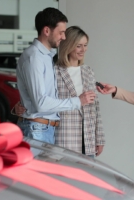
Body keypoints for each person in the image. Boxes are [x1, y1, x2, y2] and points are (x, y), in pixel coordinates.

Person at [15, 7, 96, 145]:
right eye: (61, 33)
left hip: (44, 129)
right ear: (47, 31)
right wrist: (78, 101)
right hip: (37, 129)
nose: (64, 37)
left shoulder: (46, 57)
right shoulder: (34, 58)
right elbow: (41, 103)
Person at [54, 26, 105, 157]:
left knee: (87, 176)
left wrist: (99, 138)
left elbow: (96, 107)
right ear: (69, 45)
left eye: (85, 45)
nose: (83, 50)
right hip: (65, 138)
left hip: (88, 139)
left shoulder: (88, 71)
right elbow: (50, 103)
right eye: (79, 46)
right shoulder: (55, 71)